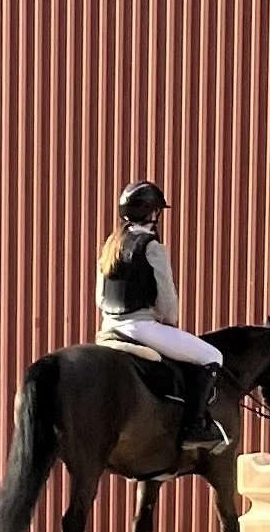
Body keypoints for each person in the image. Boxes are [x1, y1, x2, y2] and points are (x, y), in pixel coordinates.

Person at [95, 181, 227, 451]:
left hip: (108, 326)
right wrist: (170, 322)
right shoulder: (151, 245)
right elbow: (166, 296)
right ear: (152, 213)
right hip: (141, 327)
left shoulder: (112, 242)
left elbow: (100, 296)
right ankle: (194, 427)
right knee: (213, 356)